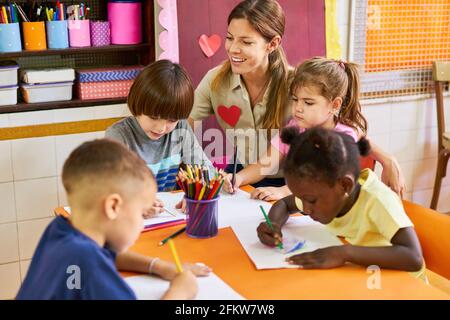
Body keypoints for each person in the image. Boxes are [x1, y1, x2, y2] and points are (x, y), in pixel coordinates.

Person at [190, 0, 405, 198]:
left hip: (294, 182)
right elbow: (183, 129)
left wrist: (387, 158)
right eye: (229, 38)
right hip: (246, 173)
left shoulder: (299, 86)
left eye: (246, 42)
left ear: (272, 44)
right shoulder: (216, 81)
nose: (233, 49)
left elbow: (347, 131)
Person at [16, 139, 211, 300]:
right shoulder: (88, 263)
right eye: (141, 213)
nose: (141, 224)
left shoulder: (60, 229)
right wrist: (181, 292)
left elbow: (105, 255)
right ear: (113, 207)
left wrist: (159, 266)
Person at [257, 127, 425, 280]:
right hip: (366, 277)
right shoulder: (324, 191)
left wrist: (344, 253)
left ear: (345, 185)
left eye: (311, 201)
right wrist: (273, 223)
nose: (306, 209)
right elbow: (284, 205)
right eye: (302, 199)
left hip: (402, 283)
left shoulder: (378, 200)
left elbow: (413, 257)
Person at [224, 57, 362, 200]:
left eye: (308, 103)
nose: (298, 108)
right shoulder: (294, 129)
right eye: (295, 99)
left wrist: (283, 191)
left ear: (335, 105)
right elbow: (265, 164)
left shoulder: (344, 137)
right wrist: (239, 178)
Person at [106, 60, 215, 216]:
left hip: (168, 217)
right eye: (153, 117)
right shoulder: (119, 136)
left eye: (171, 120)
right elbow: (108, 190)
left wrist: (198, 192)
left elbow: (206, 169)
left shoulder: (180, 128)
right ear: (136, 105)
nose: (161, 128)